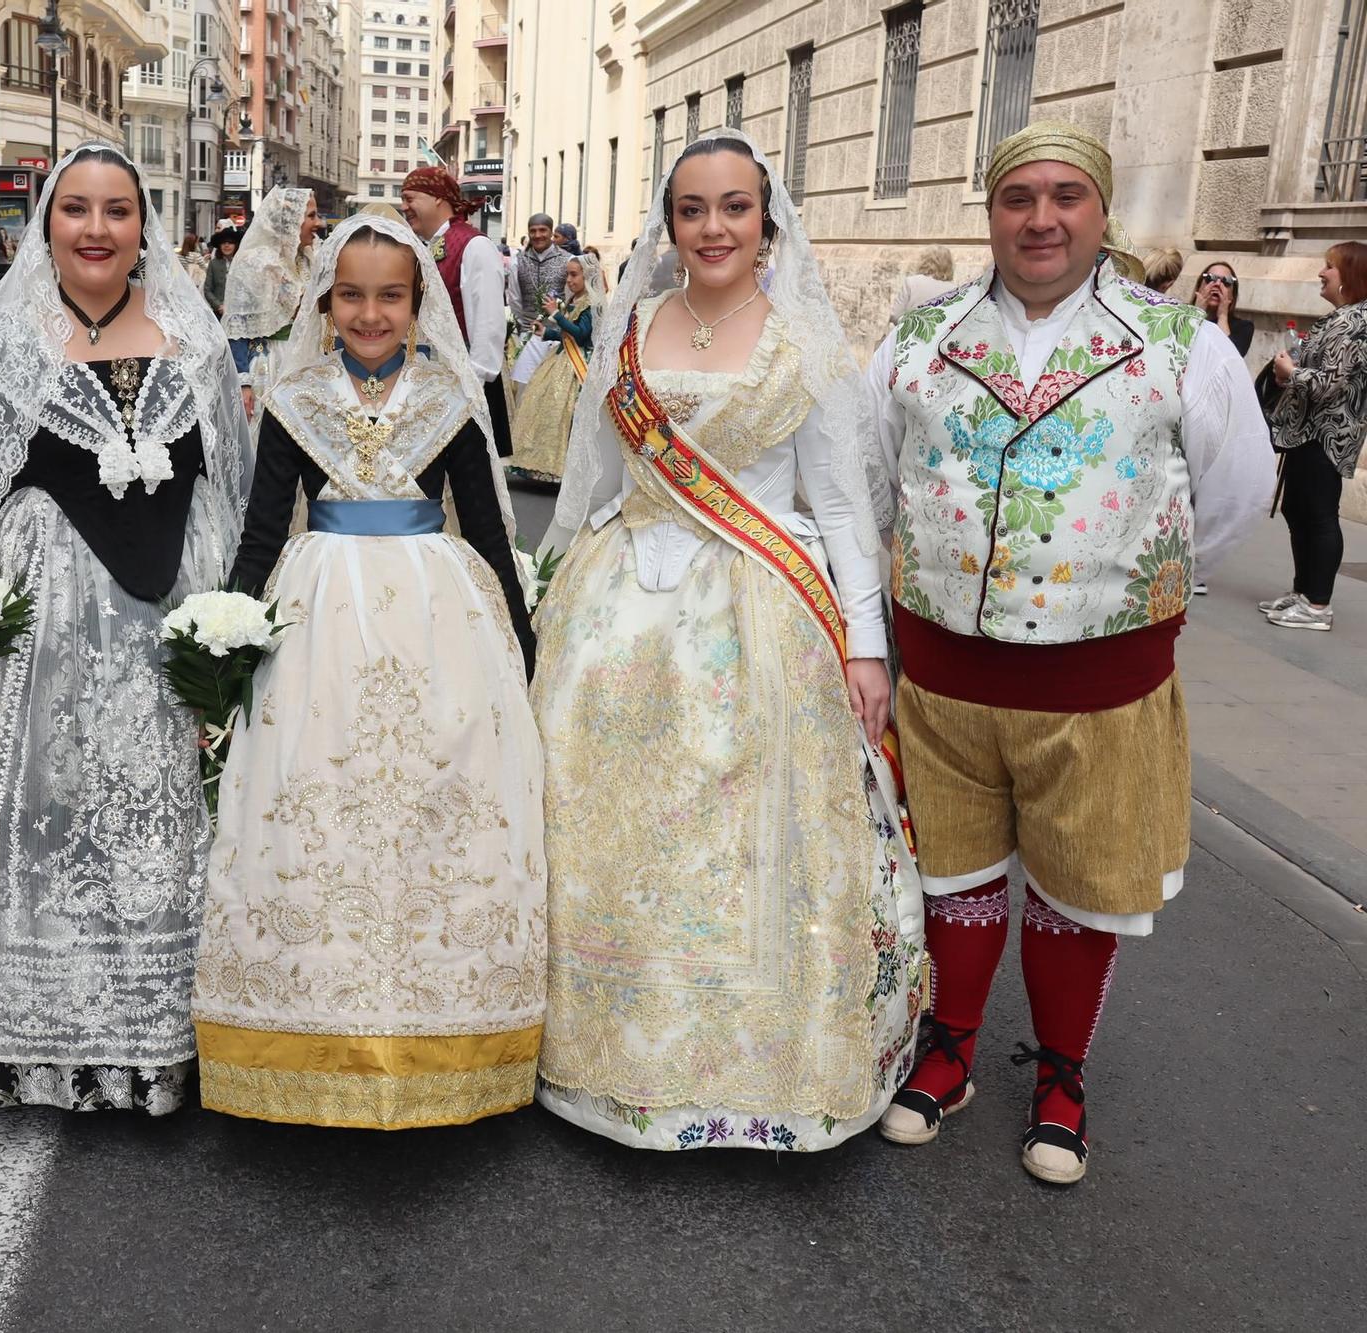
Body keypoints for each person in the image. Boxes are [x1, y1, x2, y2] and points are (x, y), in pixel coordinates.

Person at [870, 121, 1271, 1185]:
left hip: (1097, 683)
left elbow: (1228, 499)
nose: (1039, 218)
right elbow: (875, 481)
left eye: (1063, 196)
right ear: (988, 211)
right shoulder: (917, 338)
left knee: (1076, 883)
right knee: (948, 869)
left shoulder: (1179, 344)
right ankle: (947, 1049)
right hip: (943, 678)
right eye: (1016, 198)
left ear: (1098, 212)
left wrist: (1125, 585)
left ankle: (1059, 1073)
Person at [532, 130, 922, 1154]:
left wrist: (865, 644)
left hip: (758, 614)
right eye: (692, 209)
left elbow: (840, 510)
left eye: (733, 207)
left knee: (741, 833)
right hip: (618, 606)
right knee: (605, 831)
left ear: (766, 220)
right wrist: (548, 583)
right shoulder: (632, 324)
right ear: (668, 224)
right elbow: (590, 482)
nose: (712, 228)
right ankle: (610, 1058)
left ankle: (754, 1072)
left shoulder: (799, 343)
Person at [192, 215, 542, 1129]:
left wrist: (527, 648)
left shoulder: (453, 400)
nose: (370, 312)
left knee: (439, 809)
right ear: (326, 300)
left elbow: (493, 533)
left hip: (438, 617)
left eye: (391, 295)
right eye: (351, 294)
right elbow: (264, 531)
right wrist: (227, 643)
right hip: (319, 625)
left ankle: (447, 1031)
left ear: (419, 304)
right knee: (317, 809)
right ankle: (312, 1028)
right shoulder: (293, 397)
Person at [0, 143, 249, 1114]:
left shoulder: (194, 342)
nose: (97, 229)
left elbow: (229, 487)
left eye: (117, 210)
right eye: (76, 210)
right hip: (48, 615)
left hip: (168, 612)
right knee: (49, 806)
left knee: (160, 814)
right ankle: (40, 1030)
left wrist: (232, 632)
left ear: (143, 224)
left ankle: (163, 1030)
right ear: (46, 224)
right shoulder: (2, 344)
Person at [1265, 241, 1367, 632]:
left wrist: (1291, 372)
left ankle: (1318, 603)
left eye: (1330, 267)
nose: (1321, 273)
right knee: (1298, 509)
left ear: (1352, 276)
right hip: (1305, 432)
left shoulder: (1355, 323)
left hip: (1326, 435)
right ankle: (1304, 592)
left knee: (1320, 515)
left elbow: (1329, 385)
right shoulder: (1342, 317)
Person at [400, 166, 512, 456]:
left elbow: (488, 327)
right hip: (430, 386)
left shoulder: (474, 246)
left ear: (437, 197)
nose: (404, 207)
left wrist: (470, 392)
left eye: (410, 198)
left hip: (462, 391)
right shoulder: (428, 246)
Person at [222, 187, 317, 418]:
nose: (318, 223)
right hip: (268, 366)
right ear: (290, 219)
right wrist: (243, 383)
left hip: (304, 362)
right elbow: (237, 329)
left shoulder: (307, 260)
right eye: (311, 216)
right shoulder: (256, 263)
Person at [508, 254, 601, 485]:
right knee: (540, 403)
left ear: (586, 276)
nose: (568, 280)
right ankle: (536, 464)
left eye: (573, 274)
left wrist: (556, 315)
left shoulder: (591, 303)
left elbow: (581, 335)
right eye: (567, 274)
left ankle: (561, 469)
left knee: (564, 411)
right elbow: (567, 335)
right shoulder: (575, 299)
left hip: (576, 366)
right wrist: (546, 333)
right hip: (561, 359)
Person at [510, 212, 572, 336]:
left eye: (543, 230)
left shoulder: (568, 260)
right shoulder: (518, 261)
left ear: (551, 233)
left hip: (558, 336)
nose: (538, 235)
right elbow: (514, 300)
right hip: (527, 334)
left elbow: (571, 299)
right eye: (533, 231)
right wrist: (523, 327)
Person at [1193, 261, 1255, 358]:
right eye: (1210, 278)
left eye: (1226, 281)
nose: (1217, 284)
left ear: (1232, 295)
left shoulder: (1243, 327)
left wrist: (1222, 316)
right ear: (1199, 287)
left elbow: (1231, 360)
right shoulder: (1176, 316)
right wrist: (1196, 315)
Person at [889, 245, 956, 326]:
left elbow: (895, 314)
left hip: (910, 333)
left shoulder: (911, 282)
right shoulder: (954, 289)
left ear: (925, 261)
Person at [204, 229, 238, 316]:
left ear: (235, 245)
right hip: (219, 312)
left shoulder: (241, 263)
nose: (226, 245)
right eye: (223, 243)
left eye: (230, 243)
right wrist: (219, 306)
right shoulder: (214, 263)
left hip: (238, 311)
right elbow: (207, 289)